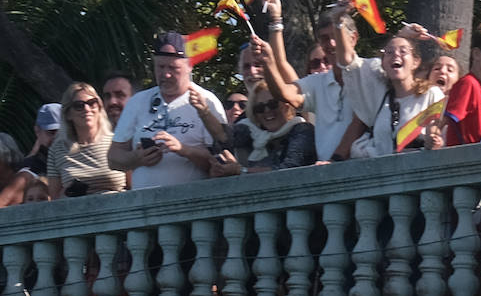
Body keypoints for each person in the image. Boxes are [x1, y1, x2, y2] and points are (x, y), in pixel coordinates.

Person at [109, 32, 226, 189]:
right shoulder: (138, 101)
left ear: (189, 66)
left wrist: (184, 150)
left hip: (193, 204)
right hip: (145, 204)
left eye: (173, 67)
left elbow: (223, 161)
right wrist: (136, 158)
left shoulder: (207, 101)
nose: (166, 74)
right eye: (160, 67)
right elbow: (113, 159)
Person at [329, 4, 448, 158]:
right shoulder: (379, 97)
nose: (395, 55)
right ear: (383, 64)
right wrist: (338, 22)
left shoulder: (431, 94)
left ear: (415, 62)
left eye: (403, 52)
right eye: (389, 53)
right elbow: (347, 62)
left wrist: (434, 142)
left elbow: (439, 131)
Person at [255, 1, 359, 164]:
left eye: (335, 37)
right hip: (325, 171)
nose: (331, 45)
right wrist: (275, 20)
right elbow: (282, 81)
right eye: (315, 63)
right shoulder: (316, 85)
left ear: (353, 38)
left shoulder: (370, 71)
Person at [212, 82, 316, 175]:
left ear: (286, 106)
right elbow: (223, 139)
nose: (267, 110)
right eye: (260, 108)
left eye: (272, 104)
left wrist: (241, 170)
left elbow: (290, 170)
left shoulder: (302, 130)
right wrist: (220, 167)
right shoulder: (250, 135)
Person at [48, 82, 125, 198]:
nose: (87, 109)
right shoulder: (57, 150)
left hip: (120, 211)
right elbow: (54, 198)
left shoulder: (117, 142)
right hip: (77, 213)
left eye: (92, 103)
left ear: (99, 107)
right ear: (68, 114)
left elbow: (135, 186)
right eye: (79, 105)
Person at [430, 51, 481, 147]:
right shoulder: (419, 100)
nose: (443, 71)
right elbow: (437, 127)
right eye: (437, 68)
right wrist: (433, 135)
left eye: (450, 70)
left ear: (458, 79)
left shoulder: (474, 89)